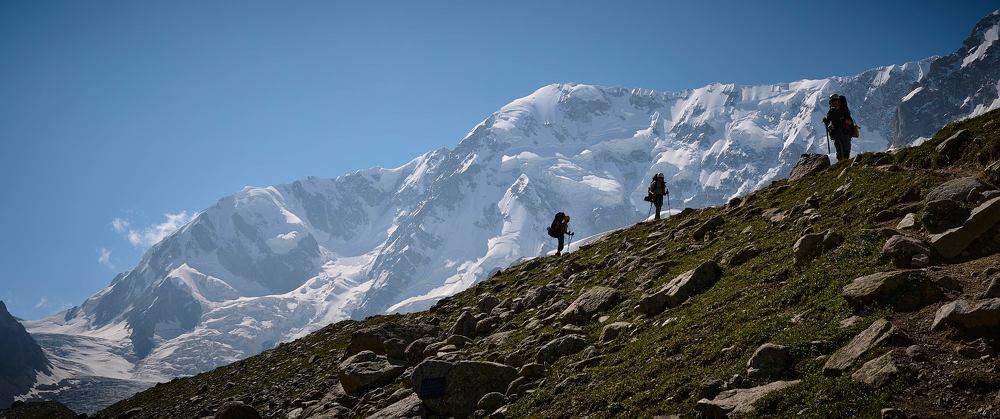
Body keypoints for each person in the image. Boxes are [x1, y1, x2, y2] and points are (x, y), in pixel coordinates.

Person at [823, 94, 856, 162]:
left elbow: (850, 122)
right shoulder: (830, 112)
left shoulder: (844, 111)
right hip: (837, 134)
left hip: (845, 133)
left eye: (835, 100)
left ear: (838, 101)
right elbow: (828, 122)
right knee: (839, 151)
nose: (833, 102)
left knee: (846, 150)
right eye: (832, 101)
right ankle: (842, 164)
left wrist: (844, 120)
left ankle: (844, 164)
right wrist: (826, 122)